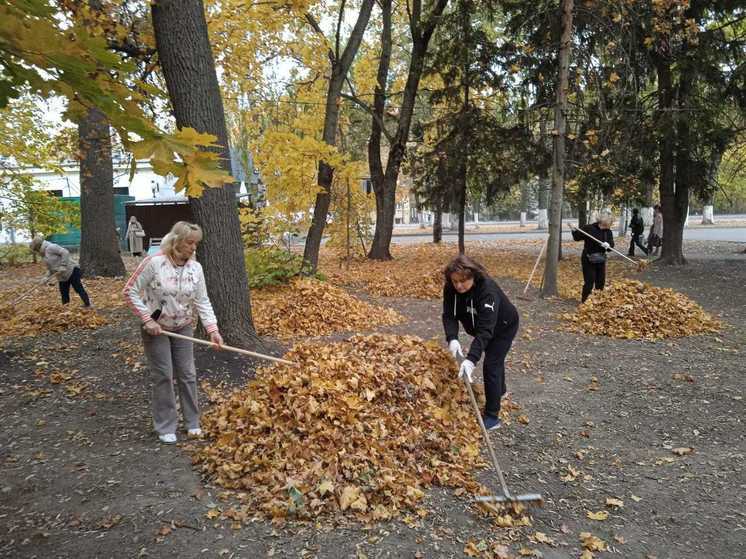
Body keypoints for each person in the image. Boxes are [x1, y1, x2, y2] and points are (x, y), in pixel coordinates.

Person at [123, 221, 223, 444]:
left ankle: (192, 422)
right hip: (157, 328)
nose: (193, 248)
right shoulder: (154, 263)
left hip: (183, 326)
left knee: (188, 374)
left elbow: (202, 300)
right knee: (164, 376)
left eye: (196, 243)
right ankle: (166, 425)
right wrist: (147, 319)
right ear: (177, 240)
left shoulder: (195, 268)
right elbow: (129, 291)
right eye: (190, 242)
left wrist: (212, 329)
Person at [443, 254, 520, 431]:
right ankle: (500, 391)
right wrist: (452, 338)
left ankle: (492, 416)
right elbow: (449, 315)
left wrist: (471, 360)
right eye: (455, 281)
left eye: (463, 281)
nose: (458, 286)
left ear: (472, 276)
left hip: (504, 327)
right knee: (495, 360)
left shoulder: (487, 291)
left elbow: (486, 331)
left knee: (492, 364)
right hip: (482, 327)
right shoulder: (450, 288)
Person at [29, 234, 92, 307]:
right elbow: (50, 269)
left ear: (38, 246)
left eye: (35, 249)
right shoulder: (44, 255)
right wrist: (46, 277)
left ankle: (88, 305)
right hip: (61, 275)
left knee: (78, 288)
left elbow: (65, 252)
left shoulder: (51, 247)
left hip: (71, 270)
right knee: (64, 293)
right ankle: (65, 310)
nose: (35, 251)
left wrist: (63, 265)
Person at [569, 212, 615, 303]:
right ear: (603, 222)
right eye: (610, 223)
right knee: (589, 282)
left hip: (600, 259)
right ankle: (585, 302)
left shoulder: (608, 232)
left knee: (600, 282)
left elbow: (611, 247)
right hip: (588, 259)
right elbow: (577, 237)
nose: (610, 225)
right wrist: (573, 229)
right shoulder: (589, 228)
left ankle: (598, 301)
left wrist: (608, 245)